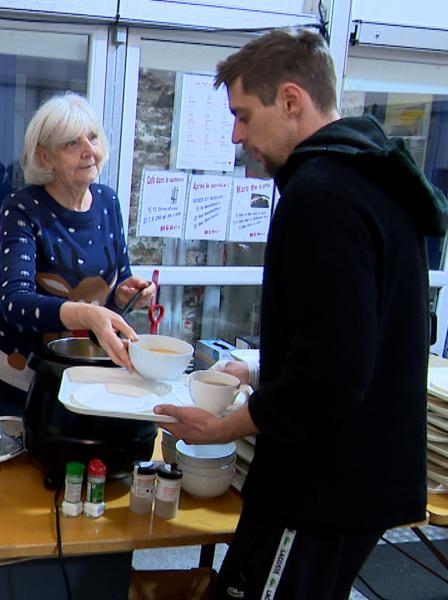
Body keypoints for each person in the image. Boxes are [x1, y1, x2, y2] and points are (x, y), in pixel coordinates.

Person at [154, 29, 448, 600]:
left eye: (242, 115)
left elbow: (330, 376)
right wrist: (258, 373)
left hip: (321, 490)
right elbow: (357, 337)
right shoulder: (377, 177)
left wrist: (223, 427)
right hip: (364, 478)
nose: (237, 135)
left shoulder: (321, 194)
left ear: (291, 100)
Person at [0, 93, 153, 417]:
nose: (89, 151)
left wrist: (126, 293)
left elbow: (117, 284)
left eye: (92, 138)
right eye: (71, 144)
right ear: (44, 158)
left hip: (88, 373)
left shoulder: (108, 201)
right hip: (25, 381)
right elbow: (15, 301)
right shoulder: (22, 207)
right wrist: (87, 314)